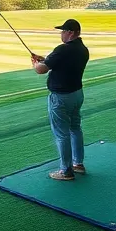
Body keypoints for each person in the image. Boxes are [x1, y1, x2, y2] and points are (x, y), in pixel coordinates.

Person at [30, 18, 90, 180]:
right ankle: (78, 164)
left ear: (71, 33)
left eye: (63, 31)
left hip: (61, 98)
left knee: (62, 134)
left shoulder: (62, 49)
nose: (61, 34)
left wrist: (36, 64)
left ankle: (66, 171)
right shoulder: (83, 49)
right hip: (77, 94)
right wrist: (44, 59)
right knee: (75, 128)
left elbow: (41, 70)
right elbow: (57, 63)